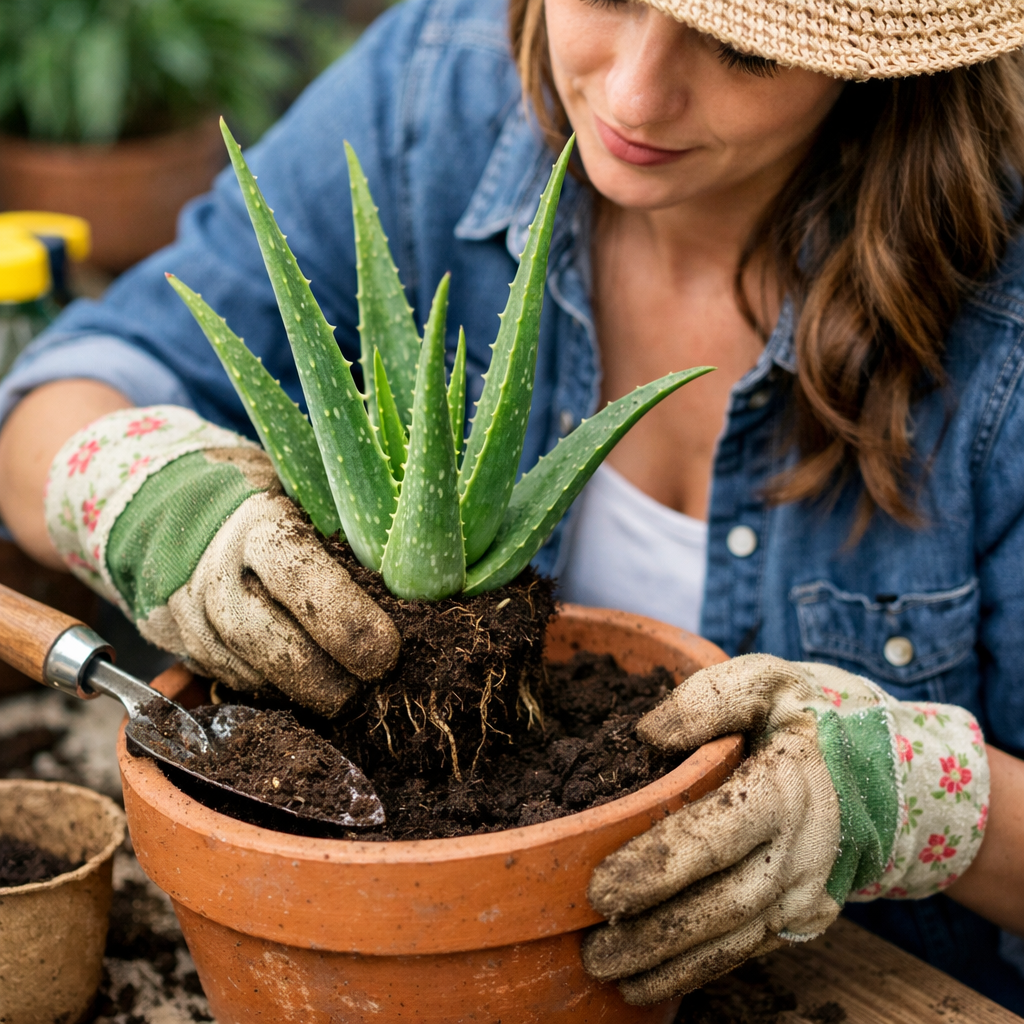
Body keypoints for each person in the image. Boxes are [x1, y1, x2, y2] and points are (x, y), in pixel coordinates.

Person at [1, 0, 1023, 1008]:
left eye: (741, 48)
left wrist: (908, 793)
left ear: (878, 63)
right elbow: (58, 397)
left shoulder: (1001, 309)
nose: (634, 92)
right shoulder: (439, 80)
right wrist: (148, 495)